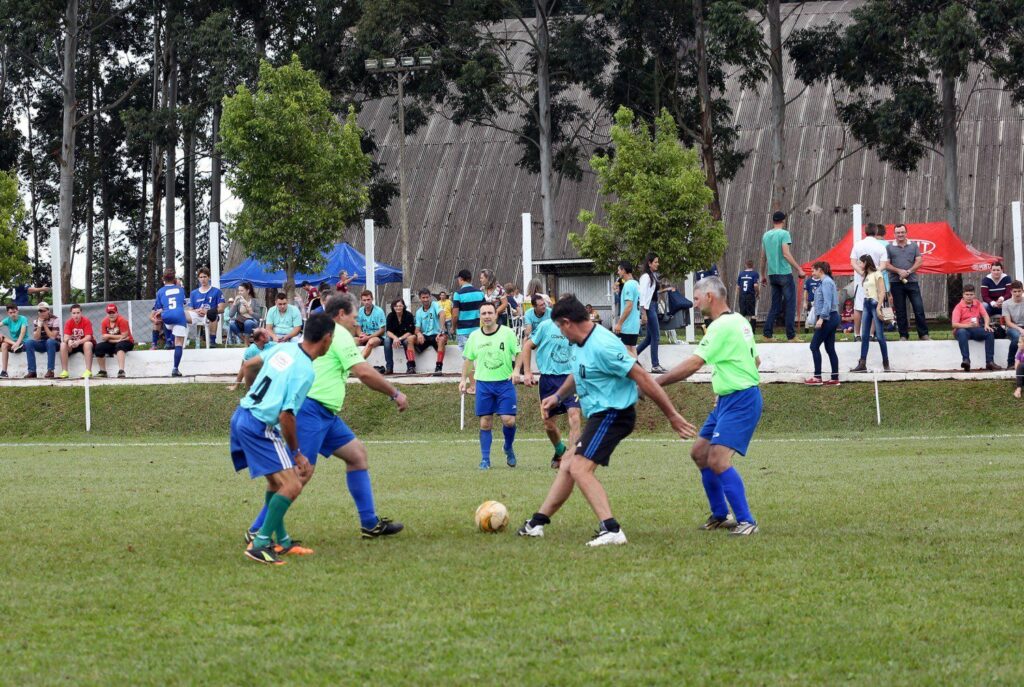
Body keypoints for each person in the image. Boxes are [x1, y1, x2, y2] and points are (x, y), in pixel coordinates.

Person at [517, 295, 696, 546]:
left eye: (559, 327)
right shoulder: (580, 343)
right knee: (569, 462)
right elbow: (578, 372)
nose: (559, 332)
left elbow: (642, 377)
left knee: (579, 468)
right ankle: (537, 523)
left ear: (567, 323)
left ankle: (611, 529)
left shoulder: (604, 345)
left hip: (615, 413)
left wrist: (672, 415)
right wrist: (558, 396)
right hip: (600, 415)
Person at [243, 296, 408, 544]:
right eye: (354, 317)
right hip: (310, 410)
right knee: (299, 475)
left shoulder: (330, 334)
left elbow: (252, 364)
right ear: (341, 314)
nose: (356, 322)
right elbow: (363, 372)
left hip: (326, 414)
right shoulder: (339, 335)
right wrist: (395, 393)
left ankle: (369, 523)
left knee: (357, 456)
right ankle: (258, 529)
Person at [656, 276, 762, 536]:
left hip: (741, 399)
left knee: (717, 459)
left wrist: (655, 384)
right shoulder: (739, 322)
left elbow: (693, 364)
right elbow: (755, 360)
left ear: (710, 297)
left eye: (696, 298)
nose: (694, 303)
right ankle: (720, 514)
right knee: (700, 454)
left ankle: (746, 521)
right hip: (728, 399)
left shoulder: (720, 327)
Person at [231, 312, 335, 565]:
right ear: (327, 339)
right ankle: (260, 543)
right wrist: (297, 452)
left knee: (277, 484)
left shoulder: (283, 348)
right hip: (259, 425)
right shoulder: (305, 371)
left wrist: (254, 393)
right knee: (293, 484)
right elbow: (287, 415)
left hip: (242, 415)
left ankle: (283, 541)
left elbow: (250, 364)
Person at [517, 311, 582, 470]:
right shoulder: (546, 326)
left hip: (570, 378)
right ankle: (560, 450)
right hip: (548, 380)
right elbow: (527, 346)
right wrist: (527, 372)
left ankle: (571, 459)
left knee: (574, 417)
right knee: (548, 424)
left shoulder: (577, 327)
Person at [460, 302, 520, 469]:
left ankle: (508, 447)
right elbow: (468, 359)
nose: (486, 316)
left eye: (489, 313)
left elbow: (518, 352)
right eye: (483, 313)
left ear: (496, 315)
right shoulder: (474, 336)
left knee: (508, 421)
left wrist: (516, 371)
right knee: (485, 423)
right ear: (480, 316)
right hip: (484, 385)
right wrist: (463, 379)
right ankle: (485, 459)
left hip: (505, 384)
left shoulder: (507, 333)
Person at [760, 211, 803, 340]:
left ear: (773, 221)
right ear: (783, 221)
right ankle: (791, 335)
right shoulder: (784, 234)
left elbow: (763, 257)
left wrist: (762, 274)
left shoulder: (766, 235)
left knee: (775, 305)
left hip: (772, 274)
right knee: (790, 304)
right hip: (784, 273)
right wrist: (799, 269)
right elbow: (786, 253)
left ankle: (767, 334)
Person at [885, 223, 930, 340]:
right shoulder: (889, 247)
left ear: (906, 233)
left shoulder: (914, 246)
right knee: (900, 310)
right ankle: (903, 335)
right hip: (895, 282)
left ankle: (924, 334)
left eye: (902, 232)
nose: (900, 234)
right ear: (894, 234)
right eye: (898, 232)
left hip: (912, 281)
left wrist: (908, 271)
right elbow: (886, 264)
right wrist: (899, 271)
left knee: (918, 308)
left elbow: (919, 261)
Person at [850, 254, 890, 373]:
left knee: (880, 335)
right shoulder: (866, 275)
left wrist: (878, 307)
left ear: (866, 263)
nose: (859, 265)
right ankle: (862, 362)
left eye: (860, 263)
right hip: (866, 303)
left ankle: (886, 362)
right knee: (865, 335)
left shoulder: (877, 274)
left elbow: (882, 291)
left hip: (874, 303)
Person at [849, 224, 888, 342]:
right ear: (876, 232)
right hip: (875, 280)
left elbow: (853, 262)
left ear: (865, 231)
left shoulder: (858, 244)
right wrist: (874, 273)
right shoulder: (880, 246)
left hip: (861, 280)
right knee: (875, 305)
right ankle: (871, 334)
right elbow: (884, 265)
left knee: (858, 307)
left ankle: (857, 334)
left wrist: (862, 272)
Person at [804, 262, 841, 386]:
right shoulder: (827, 281)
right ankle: (834, 378)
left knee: (814, 346)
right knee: (830, 348)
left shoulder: (826, 282)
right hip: (832, 317)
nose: (812, 273)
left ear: (820, 270)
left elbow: (827, 302)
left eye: (813, 270)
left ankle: (817, 377)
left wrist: (822, 318)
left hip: (828, 318)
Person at [951, 284, 998, 371]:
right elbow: (954, 324)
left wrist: (987, 325)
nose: (969, 297)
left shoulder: (977, 303)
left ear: (974, 295)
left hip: (975, 329)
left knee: (989, 332)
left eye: (971, 294)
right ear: (963, 295)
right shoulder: (958, 307)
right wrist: (968, 325)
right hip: (963, 329)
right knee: (961, 332)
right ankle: (966, 361)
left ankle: (990, 362)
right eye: (967, 294)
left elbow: (985, 316)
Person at [154, 269, 191, 377]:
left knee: (166, 321)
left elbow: (158, 307)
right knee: (179, 343)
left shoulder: (160, 291)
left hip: (167, 318)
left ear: (163, 279)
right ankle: (175, 368)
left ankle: (168, 340)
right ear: (174, 279)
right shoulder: (180, 289)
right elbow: (183, 302)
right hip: (179, 316)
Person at [637, 253, 667, 374]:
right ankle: (655, 365)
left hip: (652, 306)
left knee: (649, 338)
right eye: (655, 262)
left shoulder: (652, 276)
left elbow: (652, 294)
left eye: (657, 262)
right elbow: (642, 296)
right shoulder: (645, 277)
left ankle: (632, 357)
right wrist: (643, 313)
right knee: (656, 336)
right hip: (649, 308)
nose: (657, 264)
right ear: (649, 263)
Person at [94, 303, 134, 378]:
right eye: (109, 313)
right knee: (98, 347)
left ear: (117, 313)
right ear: (107, 314)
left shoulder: (122, 320)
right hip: (113, 342)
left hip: (127, 342)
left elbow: (124, 335)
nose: (111, 315)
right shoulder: (104, 322)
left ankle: (121, 371)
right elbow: (104, 338)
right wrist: (117, 340)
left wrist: (109, 336)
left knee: (120, 346)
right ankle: (103, 371)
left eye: (113, 312)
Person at [414, 288, 448, 376]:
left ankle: (438, 368)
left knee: (441, 339)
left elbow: (442, 314)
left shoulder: (435, 304)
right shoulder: (418, 312)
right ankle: (411, 366)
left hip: (437, 334)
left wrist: (441, 330)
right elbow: (417, 328)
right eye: (423, 297)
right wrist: (418, 334)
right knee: (410, 339)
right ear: (420, 298)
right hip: (425, 336)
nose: (425, 300)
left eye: (427, 297)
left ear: (430, 297)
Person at [189, 267, 225, 347]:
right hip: (197, 315)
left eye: (205, 277)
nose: (203, 279)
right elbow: (190, 309)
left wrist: (207, 312)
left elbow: (222, 309)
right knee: (183, 314)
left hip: (210, 315)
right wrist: (197, 311)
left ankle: (212, 341)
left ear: (209, 277)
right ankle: (178, 341)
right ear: (198, 278)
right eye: (201, 277)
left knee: (213, 315)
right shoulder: (194, 293)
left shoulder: (216, 291)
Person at [25, 302, 60, 379]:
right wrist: (39, 325)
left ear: (48, 311)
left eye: (44, 311)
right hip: (42, 343)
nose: (42, 313)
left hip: (55, 343)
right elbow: (36, 338)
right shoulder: (36, 321)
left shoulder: (55, 319)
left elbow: (52, 337)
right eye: (40, 311)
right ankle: (32, 371)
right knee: (28, 342)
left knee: (50, 341)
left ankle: (50, 371)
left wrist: (45, 325)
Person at [59, 303, 95, 379]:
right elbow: (65, 336)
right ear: (71, 314)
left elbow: (88, 337)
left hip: (83, 344)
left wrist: (78, 342)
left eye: (78, 313)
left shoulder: (86, 321)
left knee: (88, 344)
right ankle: (64, 371)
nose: (76, 315)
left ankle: (88, 371)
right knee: (63, 344)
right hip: (73, 345)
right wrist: (69, 341)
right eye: (74, 313)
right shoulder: (69, 322)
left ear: (81, 313)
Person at [451, 269, 485, 349]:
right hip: (477, 329)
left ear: (461, 279)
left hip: (463, 330)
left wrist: (453, 327)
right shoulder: (480, 293)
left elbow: (455, 315)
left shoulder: (458, 294)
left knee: (465, 357)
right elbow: (484, 311)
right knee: (477, 355)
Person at [613, 260, 641, 357]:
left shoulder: (628, 285)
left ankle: (636, 371)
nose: (618, 272)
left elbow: (629, 306)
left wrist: (619, 323)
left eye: (619, 270)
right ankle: (638, 371)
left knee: (627, 351)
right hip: (634, 324)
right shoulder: (636, 284)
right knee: (632, 349)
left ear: (624, 270)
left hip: (628, 324)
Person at [385, 298, 418, 374]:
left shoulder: (409, 315)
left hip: (404, 337)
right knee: (386, 341)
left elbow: (410, 332)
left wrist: (399, 339)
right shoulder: (390, 316)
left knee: (407, 342)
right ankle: (389, 367)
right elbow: (388, 331)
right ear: (393, 307)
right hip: (394, 337)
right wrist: (395, 338)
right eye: (396, 306)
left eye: (400, 306)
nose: (398, 308)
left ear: (403, 306)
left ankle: (410, 366)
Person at [354, 290, 386, 360]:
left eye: (368, 299)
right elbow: (358, 326)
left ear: (372, 299)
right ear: (361, 301)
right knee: (351, 341)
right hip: (365, 336)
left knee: (370, 342)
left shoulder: (379, 311)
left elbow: (382, 330)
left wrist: (368, 337)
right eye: (364, 300)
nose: (366, 302)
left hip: (377, 337)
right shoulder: (360, 311)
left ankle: (359, 362)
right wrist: (360, 335)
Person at [228, 282, 261, 346]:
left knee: (248, 322)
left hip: (252, 322)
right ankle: (246, 342)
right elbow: (230, 315)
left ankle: (246, 344)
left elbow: (259, 317)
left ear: (248, 291)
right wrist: (234, 303)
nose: (239, 292)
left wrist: (250, 311)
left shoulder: (254, 301)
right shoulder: (238, 302)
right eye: (239, 291)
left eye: (242, 291)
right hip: (240, 322)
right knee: (231, 323)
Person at [1, 303, 29, 378]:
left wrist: (17, 343)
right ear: (8, 313)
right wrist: (15, 343)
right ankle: (4, 371)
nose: (13, 314)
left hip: (24, 343)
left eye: (14, 312)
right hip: (14, 344)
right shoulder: (8, 320)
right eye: (11, 313)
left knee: (4, 340)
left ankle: (17, 345)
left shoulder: (23, 318)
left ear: (17, 311)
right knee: (3, 345)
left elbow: (22, 333)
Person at [1000, 280, 1024, 369]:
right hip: (1012, 327)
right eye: (1015, 291)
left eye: (1019, 291)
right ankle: (1010, 363)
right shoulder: (1006, 304)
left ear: (1022, 291)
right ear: (1011, 292)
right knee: (1016, 337)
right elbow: (1008, 322)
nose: (1017, 294)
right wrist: (1020, 329)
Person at [736, 259, 760, 330]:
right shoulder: (755, 274)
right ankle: (752, 331)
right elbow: (755, 285)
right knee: (752, 314)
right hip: (750, 295)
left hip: (742, 296)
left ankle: (742, 330)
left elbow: (738, 287)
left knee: (742, 314)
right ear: (753, 265)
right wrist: (758, 293)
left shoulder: (741, 274)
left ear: (745, 265)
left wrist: (740, 295)